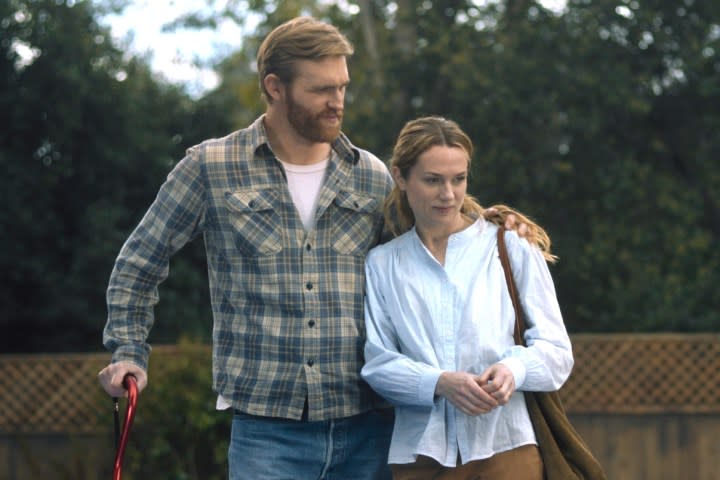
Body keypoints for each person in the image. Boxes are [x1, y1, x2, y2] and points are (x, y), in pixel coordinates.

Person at [97, 17, 534, 480]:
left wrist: (495, 224)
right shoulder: (211, 167)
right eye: (322, 89)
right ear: (275, 86)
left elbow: (431, 248)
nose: (338, 102)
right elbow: (139, 262)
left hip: (370, 429)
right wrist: (128, 351)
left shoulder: (369, 175)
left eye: (343, 87)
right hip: (267, 436)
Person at [361, 116, 574, 480]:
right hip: (420, 459)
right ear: (400, 176)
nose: (449, 194)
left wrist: (513, 370)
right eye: (433, 180)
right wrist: (440, 383)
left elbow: (557, 352)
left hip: (507, 448)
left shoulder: (510, 246)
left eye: (458, 179)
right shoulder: (383, 263)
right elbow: (378, 366)